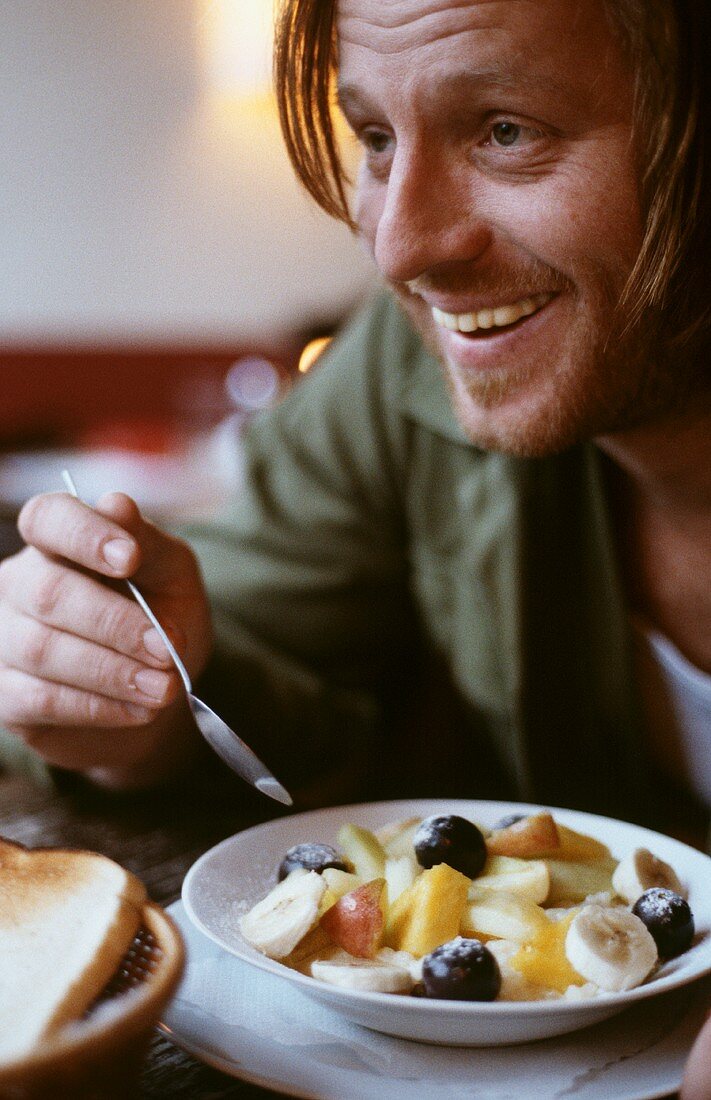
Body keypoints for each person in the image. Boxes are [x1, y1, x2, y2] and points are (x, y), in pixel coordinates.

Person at [0, 1, 708, 1091]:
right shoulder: (405, 362)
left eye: (505, 129)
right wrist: (124, 706)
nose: (399, 245)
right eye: (375, 137)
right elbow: (238, 648)